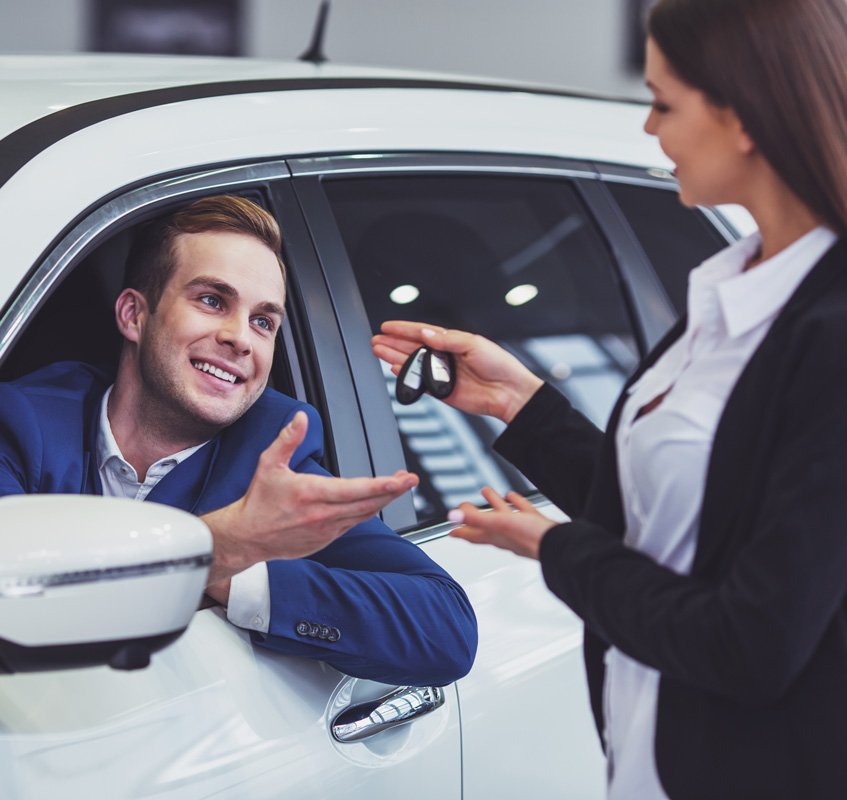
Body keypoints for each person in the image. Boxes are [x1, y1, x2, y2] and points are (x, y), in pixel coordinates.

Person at [372, 0, 847, 796]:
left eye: (663, 103)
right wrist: (522, 406)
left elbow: (752, 640)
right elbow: (673, 521)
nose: (647, 130)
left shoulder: (830, 335)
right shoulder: (724, 297)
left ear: (744, 118)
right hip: (647, 762)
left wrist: (552, 549)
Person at [0, 194, 477, 686]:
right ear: (134, 315)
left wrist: (231, 575)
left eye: (263, 321)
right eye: (212, 301)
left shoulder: (270, 462)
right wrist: (217, 547)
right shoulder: (20, 421)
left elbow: (445, 633)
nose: (241, 338)